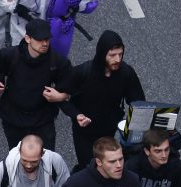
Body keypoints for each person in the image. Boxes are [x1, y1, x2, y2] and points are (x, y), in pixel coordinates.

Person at [62, 30, 146, 172]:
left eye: (120, 54)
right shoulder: (83, 72)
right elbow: (62, 97)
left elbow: (138, 103)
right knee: (89, 169)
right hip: (84, 133)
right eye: (112, 55)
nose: (118, 59)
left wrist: (132, 132)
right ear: (102, 54)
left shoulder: (126, 73)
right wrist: (76, 115)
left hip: (108, 131)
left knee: (106, 169)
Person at [0, 18, 73, 151]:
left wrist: (61, 96)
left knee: (46, 159)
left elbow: (71, 87)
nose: (44, 43)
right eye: (39, 39)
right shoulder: (9, 55)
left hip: (43, 119)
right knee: (16, 159)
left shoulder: (58, 62)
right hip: (13, 117)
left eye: (47, 39)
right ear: (27, 38)